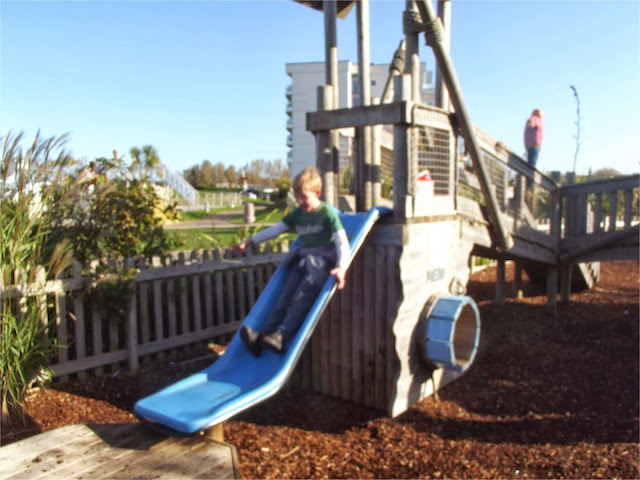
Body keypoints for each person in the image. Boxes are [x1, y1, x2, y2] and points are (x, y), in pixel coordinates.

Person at [234, 166, 350, 356]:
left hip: (321, 265)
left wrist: (342, 267)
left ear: (317, 193)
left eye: (304, 197)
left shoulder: (327, 214)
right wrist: (249, 241)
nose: (300, 201)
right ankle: (262, 335)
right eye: (297, 197)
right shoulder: (297, 214)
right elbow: (275, 229)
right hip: (303, 260)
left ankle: (281, 336)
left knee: (300, 298)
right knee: (284, 297)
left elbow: (341, 241)